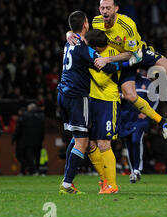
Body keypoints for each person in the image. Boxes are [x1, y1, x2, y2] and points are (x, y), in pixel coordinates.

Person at [66, 0, 167, 139]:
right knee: (130, 95)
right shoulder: (96, 21)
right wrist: (69, 33)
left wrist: (108, 59)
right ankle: (162, 121)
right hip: (122, 61)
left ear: (116, 9)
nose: (104, 11)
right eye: (102, 8)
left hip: (136, 53)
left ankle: (146, 72)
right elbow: (81, 33)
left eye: (108, 8)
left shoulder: (127, 25)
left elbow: (131, 53)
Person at [57, 11, 119, 194]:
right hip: (77, 96)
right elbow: (105, 66)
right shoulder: (84, 47)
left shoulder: (69, 42)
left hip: (63, 94)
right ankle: (67, 183)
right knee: (82, 143)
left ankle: (68, 182)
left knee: (76, 140)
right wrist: (118, 64)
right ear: (85, 24)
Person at [85, 28, 122, 194]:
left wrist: (86, 67)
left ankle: (113, 185)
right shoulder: (92, 52)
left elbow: (100, 80)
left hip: (108, 101)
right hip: (92, 100)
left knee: (103, 143)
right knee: (89, 144)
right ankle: (104, 181)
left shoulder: (112, 53)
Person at [118, 70, 159, 183]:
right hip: (125, 119)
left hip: (139, 120)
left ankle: (137, 169)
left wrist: (147, 113)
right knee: (129, 144)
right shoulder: (121, 82)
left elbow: (155, 99)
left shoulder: (146, 82)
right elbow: (114, 97)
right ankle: (133, 171)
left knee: (136, 140)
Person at [12, 103, 45, 175]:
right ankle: (35, 170)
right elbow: (43, 130)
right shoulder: (41, 116)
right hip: (38, 141)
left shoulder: (25, 116)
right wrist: (41, 139)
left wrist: (14, 138)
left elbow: (18, 129)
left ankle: (30, 170)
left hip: (27, 141)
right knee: (36, 156)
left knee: (25, 156)